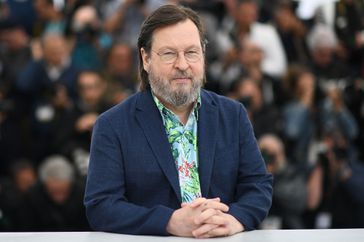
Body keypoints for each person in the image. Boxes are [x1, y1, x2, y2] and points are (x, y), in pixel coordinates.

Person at [84, 4, 272, 238]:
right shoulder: (112, 125)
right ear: (146, 58)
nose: (182, 64)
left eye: (191, 52)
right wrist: (169, 222)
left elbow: (258, 186)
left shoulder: (233, 115)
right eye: (169, 53)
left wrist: (234, 219)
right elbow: (101, 206)